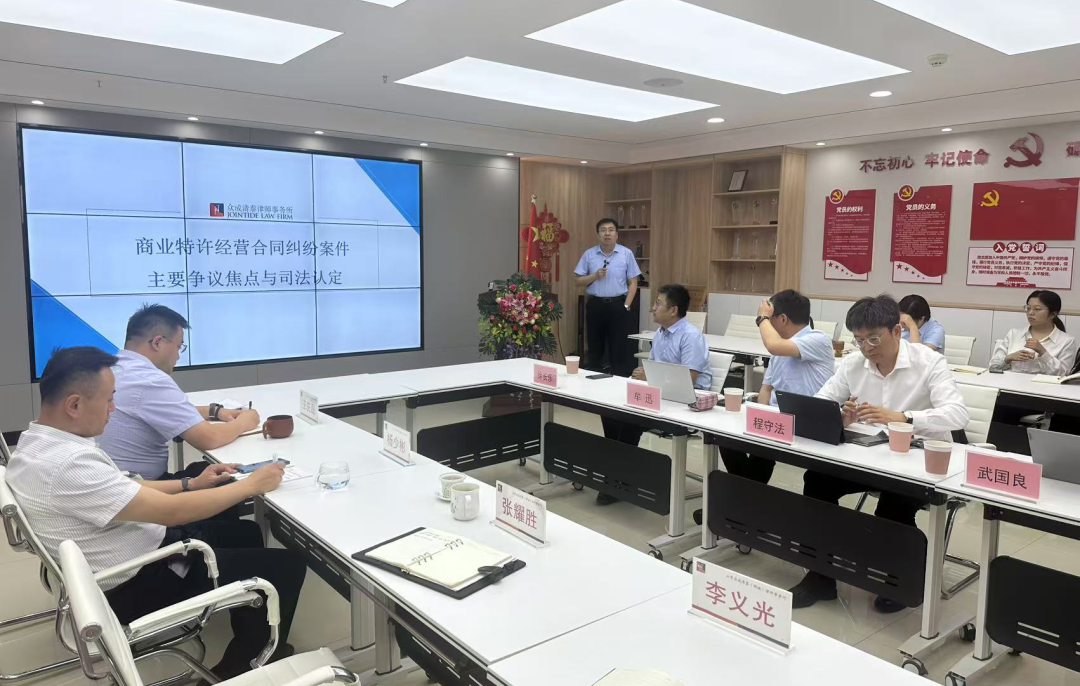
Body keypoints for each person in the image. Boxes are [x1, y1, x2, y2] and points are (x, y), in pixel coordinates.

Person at [7, 347, 305, 680]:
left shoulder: (36, 444)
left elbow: (126, 486)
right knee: (288, 566)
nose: (113, 408)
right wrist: (251, 485)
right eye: (108, 399)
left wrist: (191, 483)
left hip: (124, 557)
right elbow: (172, 513)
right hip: (135, 584)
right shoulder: (67, 465)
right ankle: (243, 667)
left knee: (246, 533)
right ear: (74, 405)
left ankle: (244, 610)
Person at [788, 295, 968, 612]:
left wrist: (903, 417)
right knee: (817, 482)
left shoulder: (928, 362)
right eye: (859, 340)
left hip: (918, 463)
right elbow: (819, 403)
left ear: (896, 331)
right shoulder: (853, 363)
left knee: (892, 507)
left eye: (873, 338)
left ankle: (900, 580)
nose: (867, 348)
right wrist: (838, 417)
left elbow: (958, 414)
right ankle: (820, 575)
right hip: (869, 457)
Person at [98, 304, 261, 480]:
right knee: (232, 476)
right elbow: (209, 438)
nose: (178, 355)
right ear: (158, 342)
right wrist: (244, 422)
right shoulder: (149, 380)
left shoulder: (111, 368)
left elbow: (157, 409)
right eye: (178, 346)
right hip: (144, 487)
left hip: (115, 482)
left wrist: (214, 411)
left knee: (202, 468)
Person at [596, 284, 710, 505]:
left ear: (673, 310)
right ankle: (621, 472)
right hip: (662, 396)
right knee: (610, 412)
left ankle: (619, 480)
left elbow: (689, 380)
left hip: (687, 402)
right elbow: (656, 371)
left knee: (630, 421)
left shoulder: (691, 336)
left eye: (658, 303)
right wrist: (645, 376)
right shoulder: (660, 333)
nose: (653, 308)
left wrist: (649, 376)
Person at [723, 290, 836, 481]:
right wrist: (760, 416)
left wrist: (761, 318)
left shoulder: (818, 339)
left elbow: (773, 346)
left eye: (770, 319)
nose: (766, 324)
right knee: (725, 436)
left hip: (809, 424)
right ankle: (748, 492)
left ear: (783, 319)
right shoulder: (781, 347)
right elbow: (766, 388)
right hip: (777, 421)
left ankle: (746, 492)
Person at [574, 218, 641, 377]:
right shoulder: (589, 254)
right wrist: (595, 275)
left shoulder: (626, 254)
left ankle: (618, 379)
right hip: (596, 305)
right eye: (603, 230)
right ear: (598, 235)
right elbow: (578, 281)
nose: (607, 234)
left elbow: (633, 282)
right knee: (595, 344)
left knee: (619, 346)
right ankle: (594, 377)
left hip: (618, 305)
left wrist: (626, 306)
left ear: (617, 234)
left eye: (611, 230)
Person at [988, 290, 1076, 375]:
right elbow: (993, 365)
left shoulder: (1067, 341)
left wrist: (1043, 353)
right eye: (1028, 308)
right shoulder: (1014, 334)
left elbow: (1064, 374)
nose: (1030, 313)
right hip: (1008, 384)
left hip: (1042, 385)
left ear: (1052, 314)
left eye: (1037, 309)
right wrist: (1009, 358)